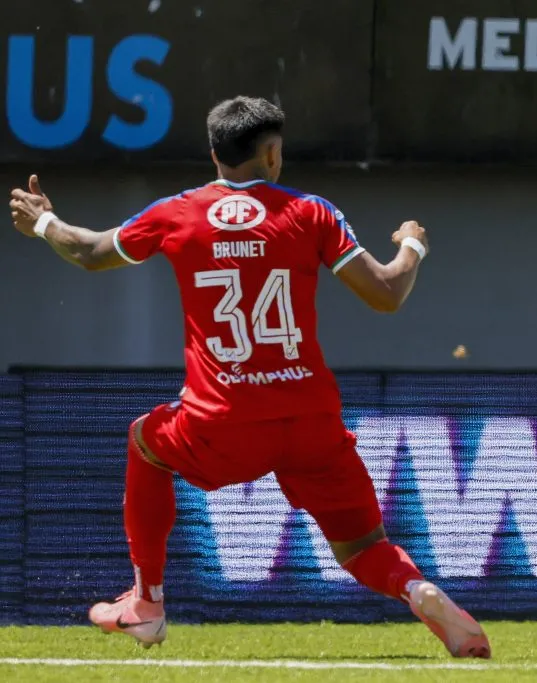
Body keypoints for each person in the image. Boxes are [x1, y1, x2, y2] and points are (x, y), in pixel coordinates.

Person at [7, 96, 491, 659]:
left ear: (214, 154)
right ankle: (416, 589)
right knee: (363, 546)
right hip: (310, 420)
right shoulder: (310, 212)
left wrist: (43, 221)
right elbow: (386, 292)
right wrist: (412, 245)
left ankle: (147, 604)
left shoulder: (179, 212)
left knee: (145, 441)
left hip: (224, 422)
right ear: (273, 154)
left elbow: (90, 252)